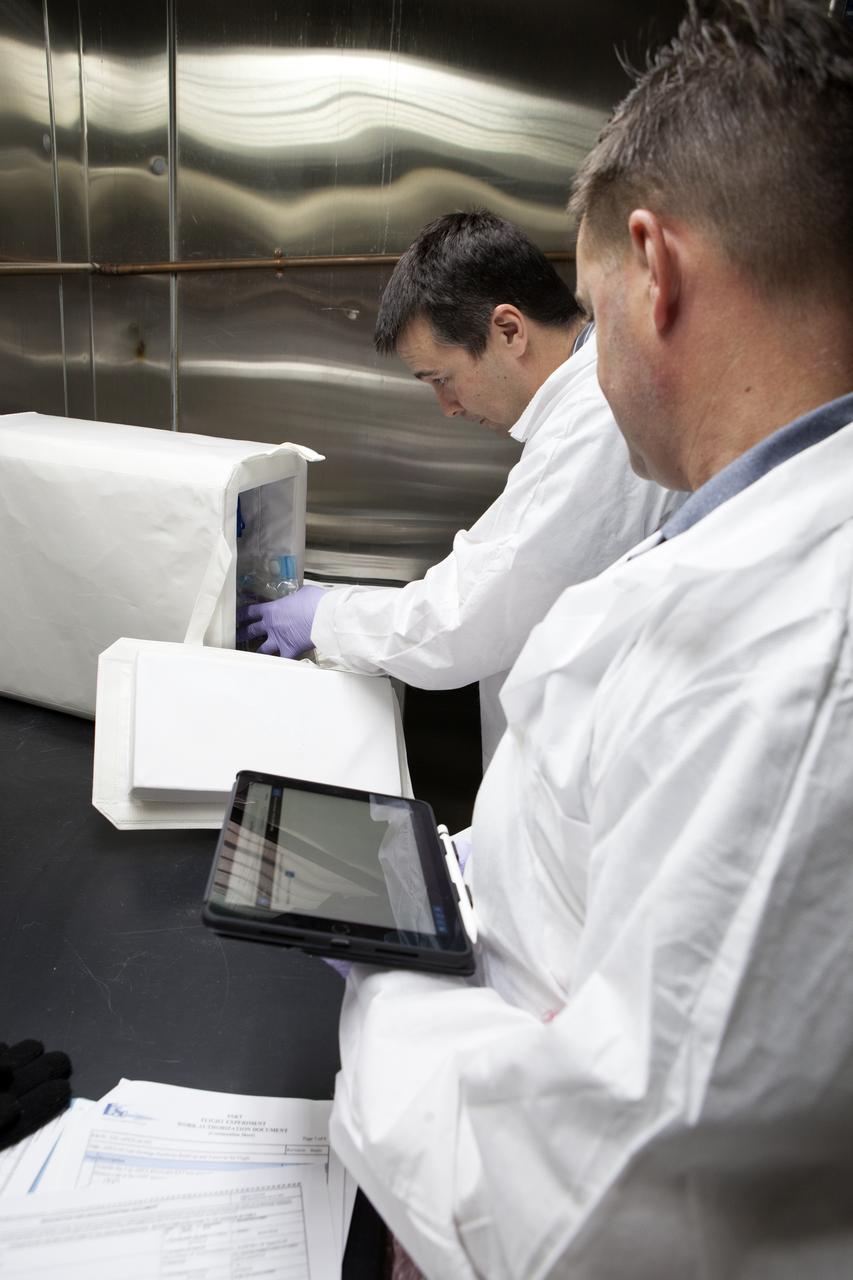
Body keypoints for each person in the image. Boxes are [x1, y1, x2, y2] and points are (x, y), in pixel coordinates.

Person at [329, 2, 853, 1277]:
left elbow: (601, 1207)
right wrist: (462, 881)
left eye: (597, 306)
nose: (591, 351)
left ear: (654, 268)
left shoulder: (797, 651)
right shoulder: (770, 528)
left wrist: (383, 989)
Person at [240, 211, 680, 766]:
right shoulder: (581, 410)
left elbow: (463, 621)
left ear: (510, 330)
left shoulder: (593, 422)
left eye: (442, 379)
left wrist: (325, 617)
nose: (447, 407)